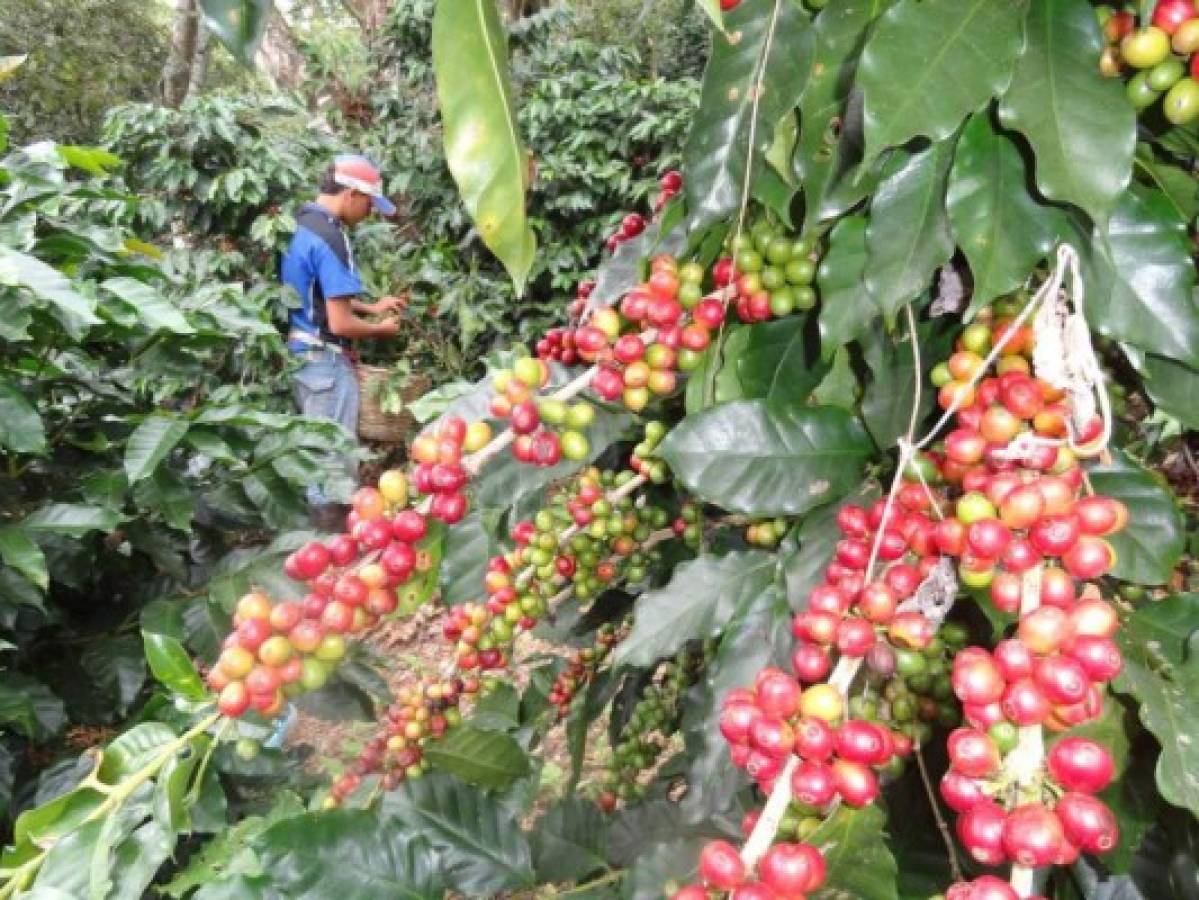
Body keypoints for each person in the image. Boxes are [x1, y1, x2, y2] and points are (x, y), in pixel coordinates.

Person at [280, 153, 407, 527]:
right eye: (369, 202)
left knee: (316, 457)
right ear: (352, 194)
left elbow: (316, 295)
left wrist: (370, 307)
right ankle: (330, 550)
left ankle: (322, 547)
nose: (369, 211)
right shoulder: (333, 237)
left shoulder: (300, 223)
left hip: (301, 356)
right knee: (333, 466)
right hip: (326, 364)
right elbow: (339, 322)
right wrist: (379, 329)